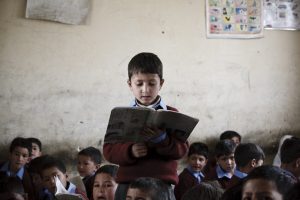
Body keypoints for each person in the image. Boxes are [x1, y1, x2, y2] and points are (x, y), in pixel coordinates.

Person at [103, 52, 188, 200]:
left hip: (161, 184)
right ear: (130, 84)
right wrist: (130, 151)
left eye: (152, 83)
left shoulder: (172, 114)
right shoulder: (121, 115)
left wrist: (162, 139)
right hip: (128, 185)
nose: (145, 89)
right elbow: (108, 150)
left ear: (161, 83)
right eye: (139, 83)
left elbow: (181, 150)